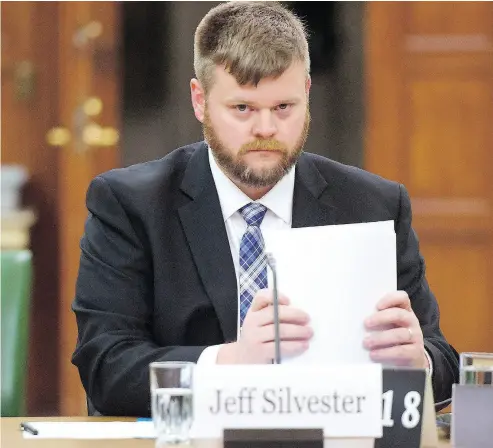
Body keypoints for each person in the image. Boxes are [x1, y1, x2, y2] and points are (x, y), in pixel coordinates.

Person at [72, 1, 459, 417]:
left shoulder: (375, 204)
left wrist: (417, 363)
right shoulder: (131, 205)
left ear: (307, 95)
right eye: (243, 109)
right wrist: (231, 362)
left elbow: (443, 361)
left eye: (283, 108)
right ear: (200, 100)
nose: (266, 130)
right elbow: (107, 366)